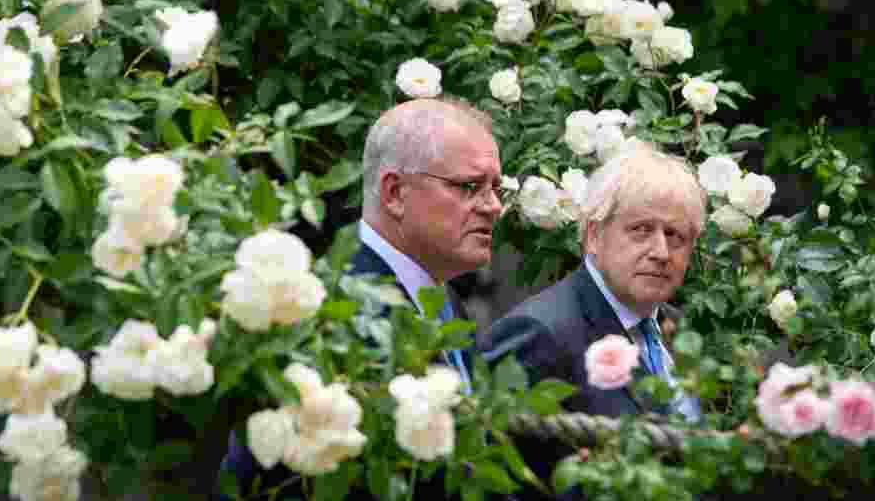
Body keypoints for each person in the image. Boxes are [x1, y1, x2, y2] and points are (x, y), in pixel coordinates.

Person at [218, 97, 504, 499]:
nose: (493, 206)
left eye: (496, 187)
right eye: (470, 186)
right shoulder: (332, 306)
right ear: (394, 193)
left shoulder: (444, 301)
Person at [480, 139, 705, 497]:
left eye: (675, 236)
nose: (661, 252)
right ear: (594, 235)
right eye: (641, 230)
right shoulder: (540, 333)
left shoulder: (681, 332)